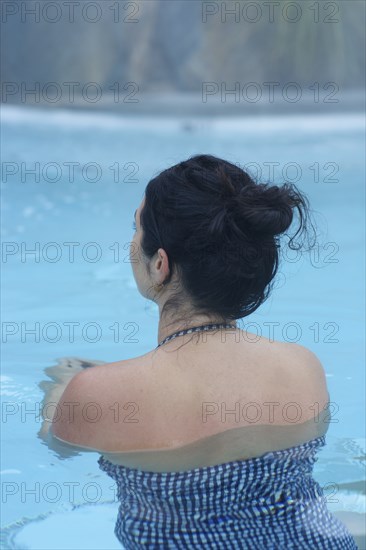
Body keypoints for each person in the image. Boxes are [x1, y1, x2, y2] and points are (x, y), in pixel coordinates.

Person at [46, 155, 358, 548]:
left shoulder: (95, 394)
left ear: (160, 264)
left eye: (135, 228)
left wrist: (61, 386)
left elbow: (59, 451)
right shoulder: (303, 367)